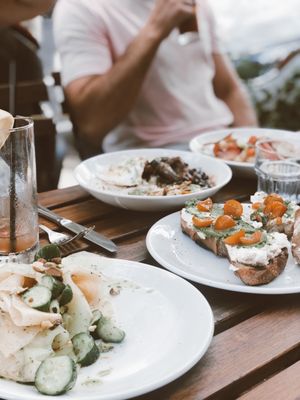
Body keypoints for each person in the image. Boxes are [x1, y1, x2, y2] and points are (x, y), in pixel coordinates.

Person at [54, 0, 257, 157]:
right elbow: (92, 124)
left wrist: (252, 148)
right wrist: (156, 29)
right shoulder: (80, 8)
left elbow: (229, 89)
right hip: (153, 159)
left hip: (220, 147)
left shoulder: (194, 4)